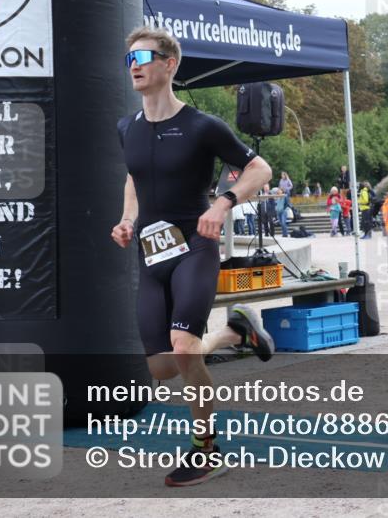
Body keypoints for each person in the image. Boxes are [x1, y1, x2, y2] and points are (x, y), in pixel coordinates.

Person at [111, 27, 274, 487]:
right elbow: (134, 178)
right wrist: (126, 219)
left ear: (170, 64)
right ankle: (232, 333)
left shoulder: (203, 126)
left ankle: (206, 449)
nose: (135, 65)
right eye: (129, 59)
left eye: (144, 56)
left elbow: (259, 168)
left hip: (195, 248)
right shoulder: (127, 127)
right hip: (151, 255)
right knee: (164, 368)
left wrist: (222, 203)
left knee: (183, 349)